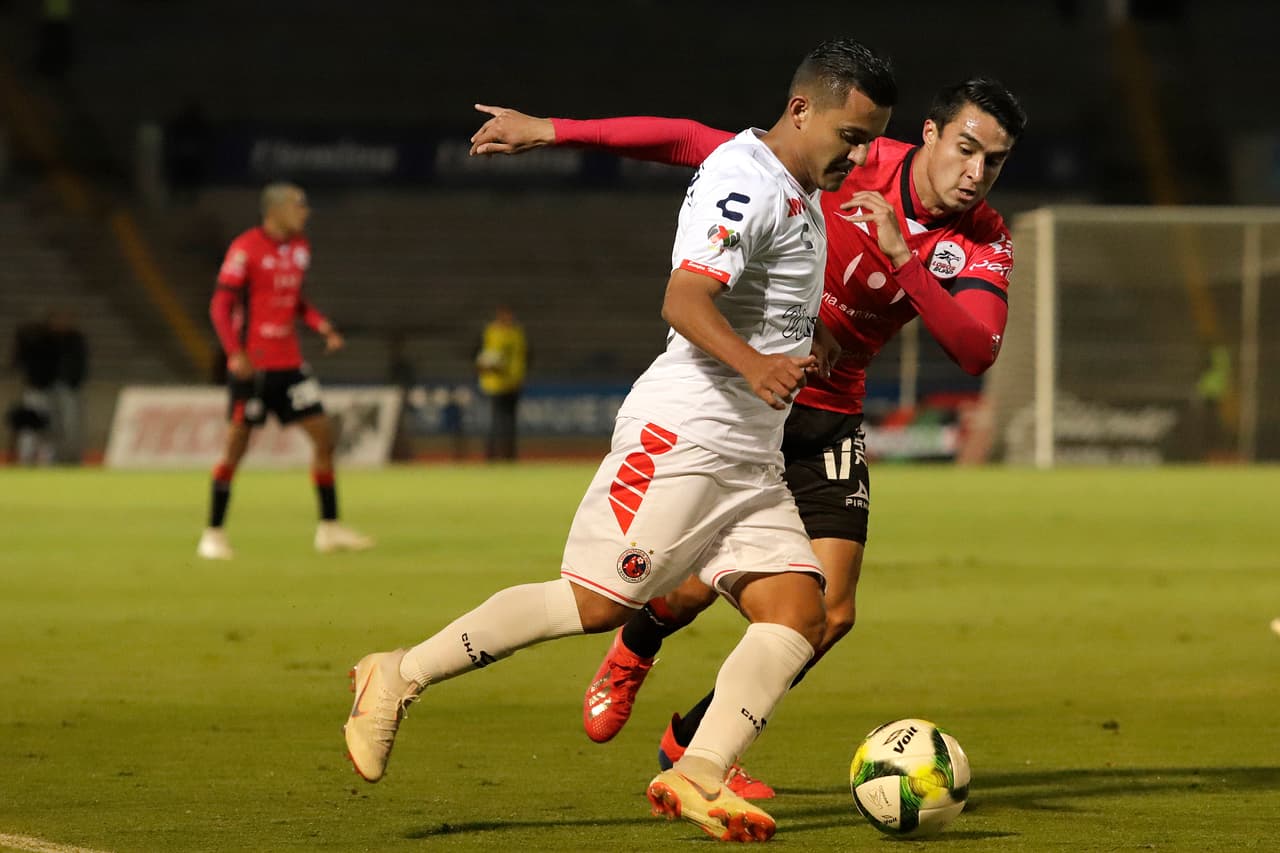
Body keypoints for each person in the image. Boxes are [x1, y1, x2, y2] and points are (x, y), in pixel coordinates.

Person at [343, 39, 897, 843]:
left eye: (871, 140)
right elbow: (683, 298)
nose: (861, 154)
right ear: (802, 109)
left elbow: (676, 144)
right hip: (685, 434)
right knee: (595, 603)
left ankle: (699, 771)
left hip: (748, 455)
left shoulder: (799, 190)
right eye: (853, 136)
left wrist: (814, 348)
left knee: (796, 611)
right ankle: (398, 674)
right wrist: (757, 365)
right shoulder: (747, 182)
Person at [469, 77, 1026, 798]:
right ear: (929, 135)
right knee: (696, 580)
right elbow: (698, 142)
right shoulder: (855, 152)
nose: (975, 173)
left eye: (996, 161)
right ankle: (635, 642)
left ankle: (696, 741)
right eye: (967, 149)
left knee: (829, 612)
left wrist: (904, 260)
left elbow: (977, 348)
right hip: (748, 387)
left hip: (832, 407)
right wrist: (555, 129)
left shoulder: (984, 238)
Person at [197, 182, 373, 560]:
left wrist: (321, 325)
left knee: (324, 436)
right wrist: (234, 353)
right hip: (254, 367)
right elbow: (219, 306)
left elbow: (295, 302)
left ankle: (329, 529)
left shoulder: (300, 248)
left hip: (290, 363)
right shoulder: (245, 250)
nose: (305, 212)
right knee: (235, 448)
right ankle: (212, 534)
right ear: (274, 211)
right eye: (298, 205)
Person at [475, 304, 527, 461]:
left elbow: (522, 357)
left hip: (513, 383)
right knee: (496, 421)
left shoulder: (517, 333)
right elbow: (482, 356)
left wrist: (518, 377)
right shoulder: (491, 333)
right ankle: (492, 455)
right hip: (495, 384)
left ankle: (509, 455)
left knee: (509, 422)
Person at [7, 315, 59, 465]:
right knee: (33, 426)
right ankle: (31, 457)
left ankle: (36, 457)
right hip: (37, 390)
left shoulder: (46, 346)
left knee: (39, 426)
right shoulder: (39, 347)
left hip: (43, 389)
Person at [48, 309, 87, 464]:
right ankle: (55, 457)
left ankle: (73, 457)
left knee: (72, 425)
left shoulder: (75, 340)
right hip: (50, 388)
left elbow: (80, 364)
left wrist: (75, 381)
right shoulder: (48, 340)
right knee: (53, 426)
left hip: (71, 388)